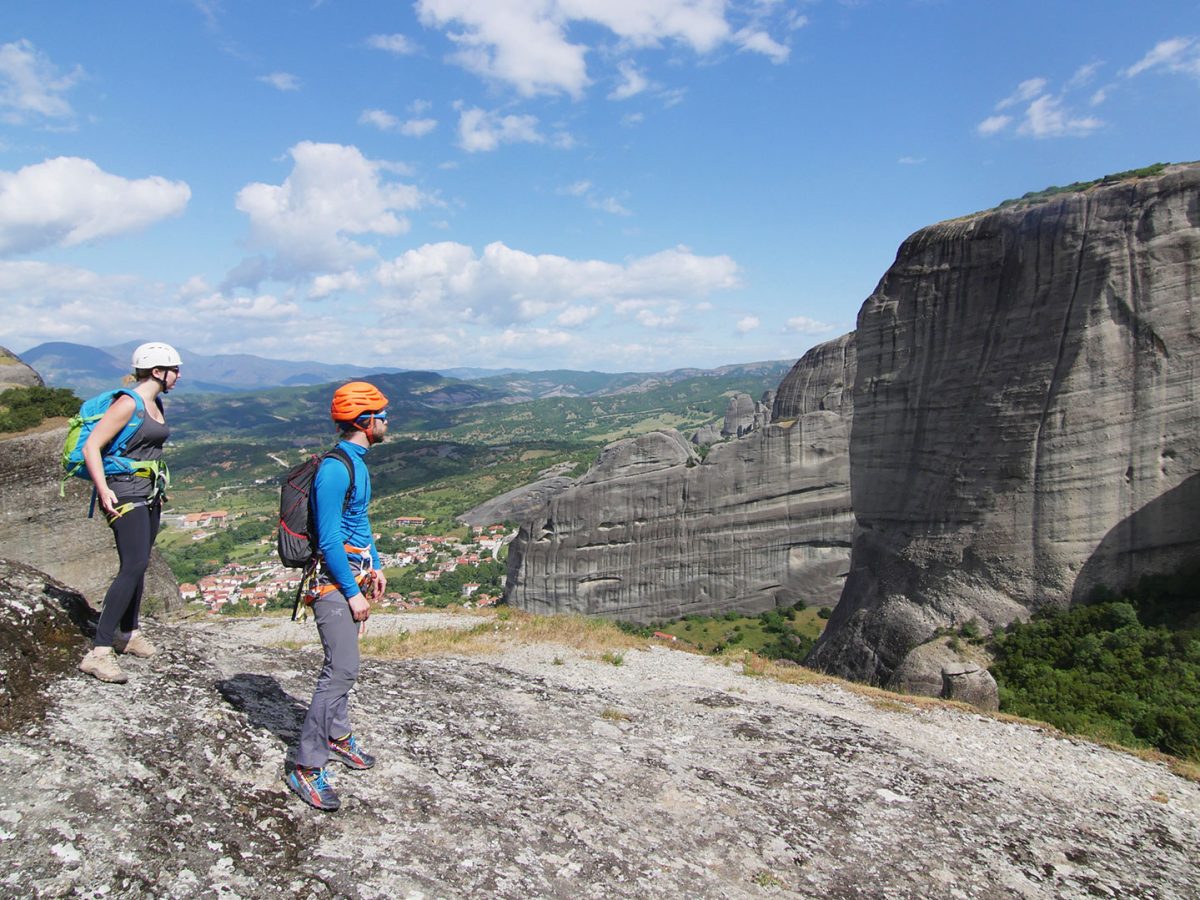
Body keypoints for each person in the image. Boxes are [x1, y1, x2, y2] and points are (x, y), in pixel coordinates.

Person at [286, 381, 388, 812]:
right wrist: (351, 592)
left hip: (353, 575)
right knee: (341, 670)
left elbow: (358, 521)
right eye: (381, 415)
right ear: (364, 422)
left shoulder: (356, 462)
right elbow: (328, 538)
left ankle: (338, 734)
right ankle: (307, 766)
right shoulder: (335, 468)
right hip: (332, 582)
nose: (385, 422)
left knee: (346, 667)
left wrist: (376, 564)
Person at [77, 342, 181, 684]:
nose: (178, 375)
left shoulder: (155, 401)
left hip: (147, 491)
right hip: (122, 491)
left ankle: (128, 633)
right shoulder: (129, 403)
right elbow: (93, 445)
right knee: (133, 564)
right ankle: (100, 652)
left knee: (140, 563)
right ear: (157, 371)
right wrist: (103, 488)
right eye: (174, 370)